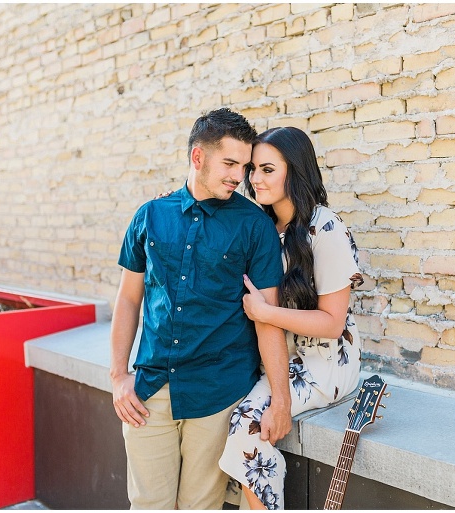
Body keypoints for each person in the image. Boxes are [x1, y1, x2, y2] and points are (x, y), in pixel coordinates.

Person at [110, 108, 293, 510]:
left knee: (201, 508)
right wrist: (119, 374)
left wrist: (281, 400)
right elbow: (128, 298)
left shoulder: (253, 226)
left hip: (217, 392)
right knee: (148, 506)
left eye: (243, 166)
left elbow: (268, 317)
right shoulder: (150, 216)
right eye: (230, 163)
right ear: (198, 157)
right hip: (150, 391)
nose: (238, 176)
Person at [218, 126, 364, 510]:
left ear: (294, 172)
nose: (254, 178)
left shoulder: (324, 227)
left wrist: (266, 312)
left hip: (324, 362)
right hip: (277, 355)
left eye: (267, 169)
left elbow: (333, 323)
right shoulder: (262, 226)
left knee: (246, 426)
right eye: (253, 169)